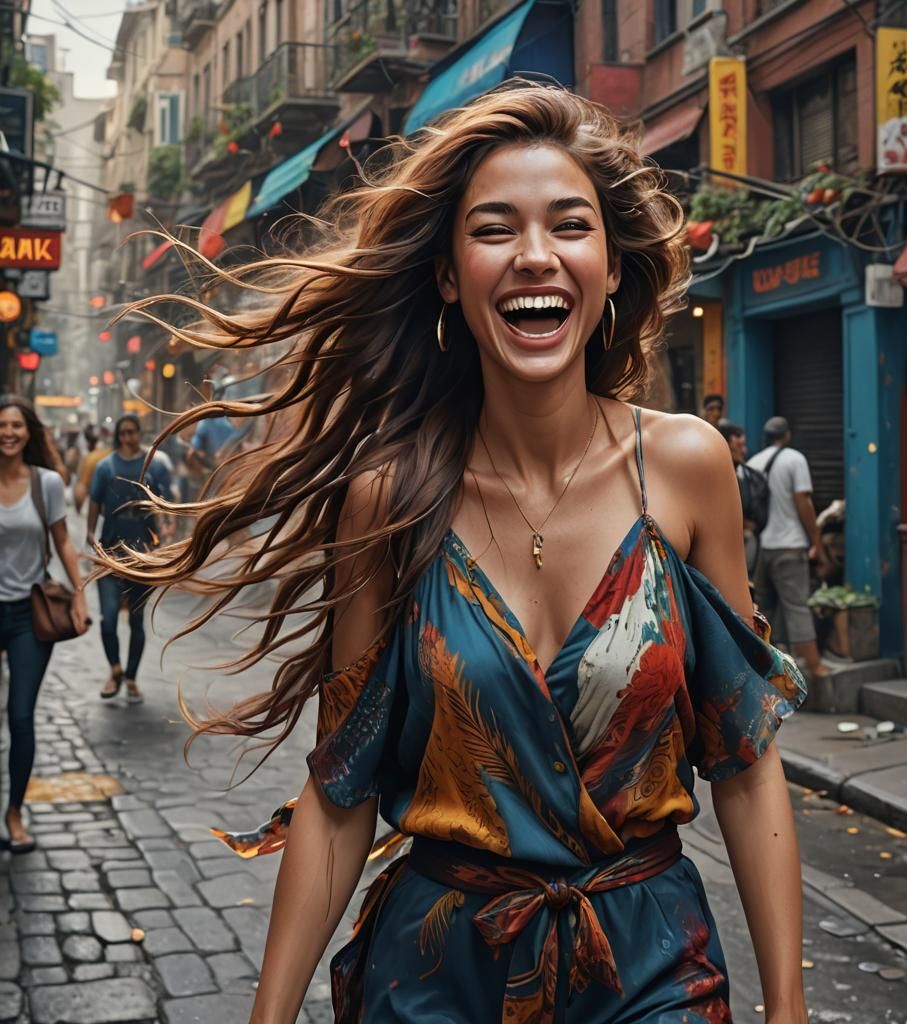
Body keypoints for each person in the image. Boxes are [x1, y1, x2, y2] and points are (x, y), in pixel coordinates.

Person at [96, 83, 809, 1024]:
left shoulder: (685, 467)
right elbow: (342, 792)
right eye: (492, 230)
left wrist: (788, 1009)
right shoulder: (389, 499)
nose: (535, 256)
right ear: (446, 274)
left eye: (569, 225)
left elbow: (747, 761)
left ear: (606, 263)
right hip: (436, 976)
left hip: (653, 968)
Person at [0, 395, 89, 852]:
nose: (8, 432)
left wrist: (78, 592)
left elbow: (64, 543)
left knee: (19, 715)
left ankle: (14, 813)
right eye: (2, 425)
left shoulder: (47, 483)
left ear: (29, 433)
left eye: (16, 425)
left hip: (27, 615)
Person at [87, 414, 171, 704]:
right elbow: (94, 503)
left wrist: (162, 541)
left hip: (143, 556)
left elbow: (160, 506)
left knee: (136, 621)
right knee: (108, 619)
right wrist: (89, 535)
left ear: (138, 433)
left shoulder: (153, 467)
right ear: (118, 435)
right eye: (123, 432)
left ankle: (132, 677)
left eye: (132, 432)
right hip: (110, 555)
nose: (128, 437)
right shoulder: (105, 467)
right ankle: (115, 669)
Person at [748, 416, 829, 680]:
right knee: (797, 607)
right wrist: (816, 542)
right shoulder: (794, 459)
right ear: (787, 435)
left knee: (765, 610)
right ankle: (814, 668)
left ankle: (765, 670)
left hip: (761, 548)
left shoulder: (753, 462)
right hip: (790, 546)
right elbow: (803, 502)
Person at [719, 419, 761, 575]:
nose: (744, 451)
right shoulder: (719, 477)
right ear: (727, 445)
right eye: (740, 445)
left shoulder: (739, 477)